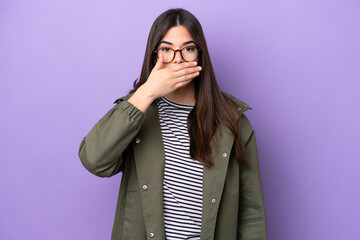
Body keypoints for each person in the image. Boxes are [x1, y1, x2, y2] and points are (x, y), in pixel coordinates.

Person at [78, 8, 267, 240]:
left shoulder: (233, 120)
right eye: (166, 49)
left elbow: (251, 214)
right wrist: (146, 92)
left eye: (188, 49)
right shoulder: (137, 111)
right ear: (154, 55)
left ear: (200, 55)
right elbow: (93, 160)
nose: (177, 59)